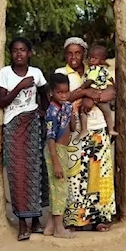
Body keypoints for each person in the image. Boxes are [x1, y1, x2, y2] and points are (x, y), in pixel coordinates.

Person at [55, 37, 117, 232]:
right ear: (65, 55)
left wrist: (90, 93)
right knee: (76, 177)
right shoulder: (61, 73)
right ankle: (76, 220)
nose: (74, 57)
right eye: (70, 53)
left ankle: (101, 218)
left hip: (98, 127)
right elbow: (65, 97)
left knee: (100, 174)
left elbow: (111, 93)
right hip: (74, 131)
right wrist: (87, 93)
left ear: (84, 54)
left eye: (78, 53)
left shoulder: (96, 70)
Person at [0, 37, 50, 241]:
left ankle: (35, 221)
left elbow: (44, 94)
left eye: (23, 50)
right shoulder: (5, 74)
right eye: (16, 50)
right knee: (17, 174)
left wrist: (44, 111)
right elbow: (2, 102)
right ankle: (22, 224)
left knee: (35, 171)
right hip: (13, 126)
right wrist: (20, 86)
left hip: (33, 124)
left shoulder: (36, 73)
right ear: (12, 54)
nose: (19, 53)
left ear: (29, 53)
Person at [42, 73, 76, 239]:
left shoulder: (67, 106)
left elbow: (73, 127)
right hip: (54, 151)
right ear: (52, 93)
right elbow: (50, 138)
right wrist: (55, 162)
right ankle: (59, 228)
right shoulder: (51, 112)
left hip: (63, 150)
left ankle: (49, 227)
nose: (63, 95)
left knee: (58, 188)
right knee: (60, 190)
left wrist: (72, 112)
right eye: (59, 93)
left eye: (66, 92)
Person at [78, 45, 117, 138]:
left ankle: (84, 130)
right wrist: (114, 85)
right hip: (102, 93)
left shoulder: (93, 69)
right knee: (107, 112)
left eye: (94, 58)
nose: (91, 60)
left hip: (92, 93)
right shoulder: (104, 70)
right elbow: (110, 78)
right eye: (90, 57)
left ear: (102, 60)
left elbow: (90, 81)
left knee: (83, 111)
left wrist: (82, 88)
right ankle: (111, 129)